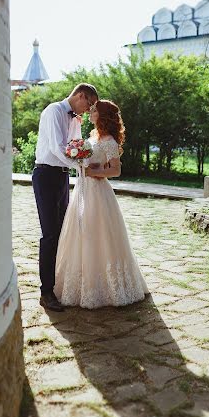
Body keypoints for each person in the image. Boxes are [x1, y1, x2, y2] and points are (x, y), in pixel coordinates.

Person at [54, 99, 148, 308]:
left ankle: (108, 287)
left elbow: (116, 170)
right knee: (81, 232)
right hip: (82, 189)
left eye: (94, 110)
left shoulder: (110, 142)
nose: (90, 112)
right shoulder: (92, 136)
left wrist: (94, 172)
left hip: (98, 192)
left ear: (102, 115)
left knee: (99, 234)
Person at [32, 83, 99, 312]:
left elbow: (76, 147)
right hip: (46, 175)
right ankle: (46, 292)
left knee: (63, 232)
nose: (87, 110)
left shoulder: (74, 119)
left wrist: (84, 160)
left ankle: (58, 284)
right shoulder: (53, 111)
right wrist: (80, 168)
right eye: (88, 104)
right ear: (80, 96)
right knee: (50, 234)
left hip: (62, 177)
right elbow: (57, 147)